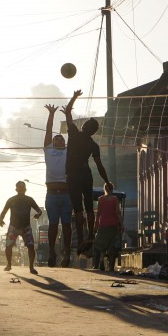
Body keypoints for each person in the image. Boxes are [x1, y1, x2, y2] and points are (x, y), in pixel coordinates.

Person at [60, 90, 111, 256]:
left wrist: (74, 97)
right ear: (93, 132)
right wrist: (107, 181)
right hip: (85, 174)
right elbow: (99, 166)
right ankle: (90, 235)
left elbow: (67, 112)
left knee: (78, 210)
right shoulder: (93, 145)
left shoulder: (74, 133)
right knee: (89, 207)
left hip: (73, 175)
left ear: (84, 127)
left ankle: (82, 239)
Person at [43, 104, 73, 267]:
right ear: (52, 142)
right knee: (53, 225)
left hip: (66, 193)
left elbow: (72, 133)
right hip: (52, 194)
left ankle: (66, 252)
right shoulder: (48, 150)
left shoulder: (69, 150)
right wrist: (51, 114)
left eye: (61, 138)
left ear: (64, 142)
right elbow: (48, 131)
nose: (58, 139)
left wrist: (68, 113)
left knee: (67, 225)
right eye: (56, 138)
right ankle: (51, 253)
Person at [0, 181, 43, 275]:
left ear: (25, 189)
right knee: (8, 246)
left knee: (31, 247)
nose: (21, 189)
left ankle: (31, 267)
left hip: (25, 227)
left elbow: (39, 210)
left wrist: (38, 214)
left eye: (22, 188)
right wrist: (1, 220)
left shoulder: (29, 200)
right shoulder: (11, 200)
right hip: (14, 227)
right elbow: (4, 211)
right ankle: (9, 264)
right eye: (19, 188)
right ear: (16, 189)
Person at [93, 182, 124, 271]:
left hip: (103, 224)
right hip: (113, 224)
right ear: (112, 189)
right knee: (111, 245)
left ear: (105, 189)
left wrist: (96, 224)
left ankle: (102, 258)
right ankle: (111, 267)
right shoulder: (115, 199)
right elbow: (117, 213)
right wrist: (121, 224)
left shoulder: (101, 199)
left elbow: (98, 213)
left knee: (102, 244)